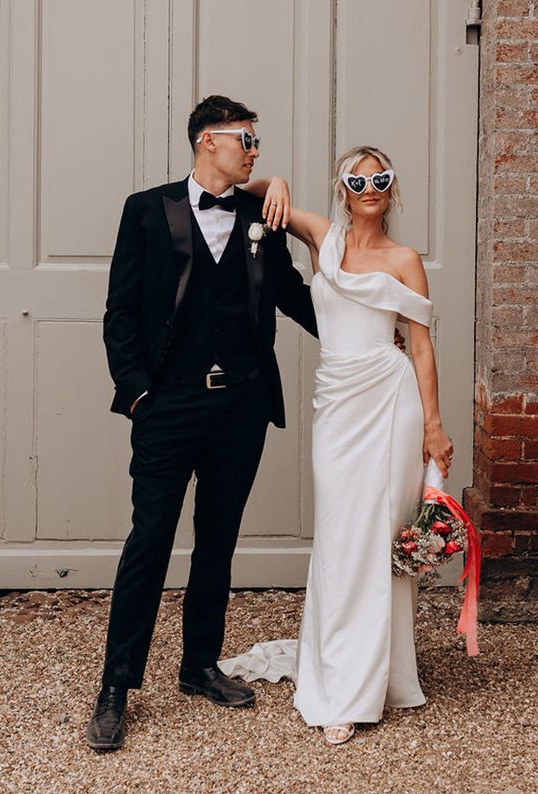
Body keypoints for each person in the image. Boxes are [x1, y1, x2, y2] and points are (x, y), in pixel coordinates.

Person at [84, 95, 318, 752]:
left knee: (218, 540)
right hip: (169, 406)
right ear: (206, 141)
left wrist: (359, 337)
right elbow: (120, 313)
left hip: (241, 405)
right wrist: (137, 396)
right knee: (149, 541)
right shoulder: (146, 210)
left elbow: (294, 297)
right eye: (246, 139)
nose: (254, 151)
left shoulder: (259, 216)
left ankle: (199, 665)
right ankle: (115, 685)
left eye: (256, 141)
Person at [219, 146, 454, 745]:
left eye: (380, 177)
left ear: (392, 190)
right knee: (339, 534)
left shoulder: (406, 260)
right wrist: (282, 182)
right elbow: (248, 190)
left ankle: (363, 683)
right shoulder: (321, 237)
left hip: (390, 402)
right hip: (337, 403)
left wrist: (433, 425)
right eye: (357, 178)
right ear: (343, 189)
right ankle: (338, 663)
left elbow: (421, 347)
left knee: (378, 537)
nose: (369, 186)